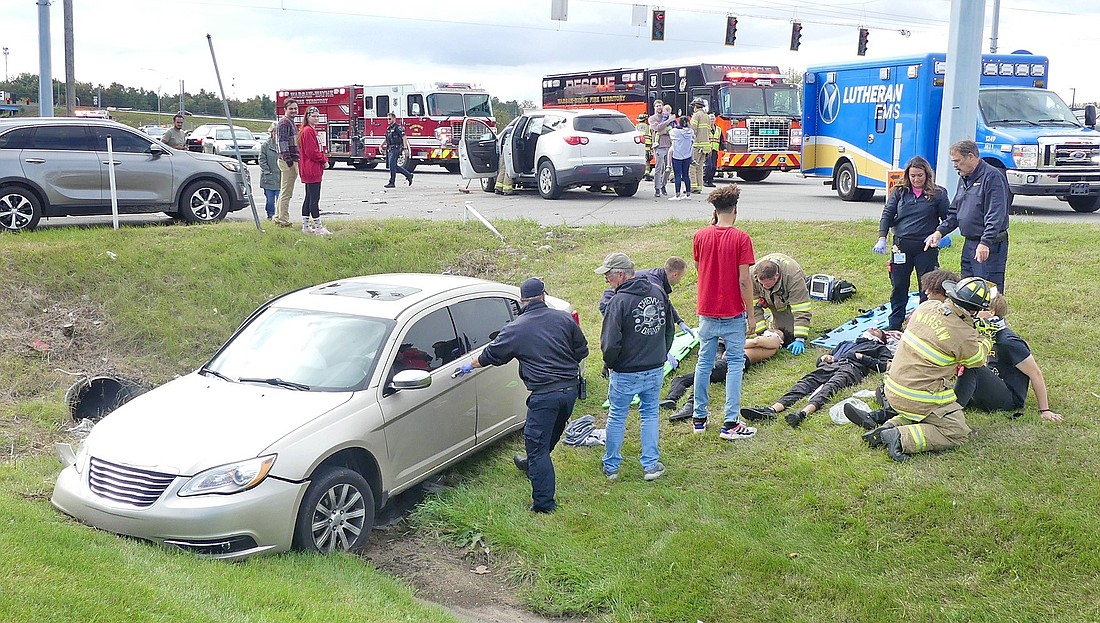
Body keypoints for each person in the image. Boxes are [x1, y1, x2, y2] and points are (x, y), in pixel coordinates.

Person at [453, 278, 588, 513]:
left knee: (537, 446)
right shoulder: (563, 319)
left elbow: (490, 355)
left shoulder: (516, 328)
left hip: (545, 395)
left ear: (522, 301)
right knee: (550, 434)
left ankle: (544, 505)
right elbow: (582, 349)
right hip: (569, 390)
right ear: (543, 296)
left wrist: (469, 365)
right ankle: (532, 464)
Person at [858, 277, 993, 462]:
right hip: (918, 397)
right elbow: (977, 360)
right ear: (973, 310)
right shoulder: (963, 334)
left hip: (892, 387)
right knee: (957, 431)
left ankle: (888, 426)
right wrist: (985, 335)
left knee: (921, 413)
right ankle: (900, 437)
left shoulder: (926, 307)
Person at [843, 268, 957, 429]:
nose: (926, 293)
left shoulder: (946, 320)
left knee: (919, 406)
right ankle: (881, 419)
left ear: (943, 293)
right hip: (917, 374)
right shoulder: (931, 313)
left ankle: (879, 420)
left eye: (930, 290)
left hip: (926, 379)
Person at [597, 252, 674, 481]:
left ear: (620, 275)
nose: (607, 282)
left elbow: (610, 343)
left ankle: (611, 467)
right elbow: (669, 329)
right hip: (654, 367)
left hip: (625, 371)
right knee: (650, 414)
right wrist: (662, 354)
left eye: (608, 276)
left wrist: (609, 365)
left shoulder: (618, 302)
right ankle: (651, 466)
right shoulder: (658, 291)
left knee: (617, 416)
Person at [691, 185, 758, 440]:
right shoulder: (741, 238)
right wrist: (751, 314)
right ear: (735, 210)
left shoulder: (700, 236)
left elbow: (700, 267)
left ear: (715, 210)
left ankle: (699, 417)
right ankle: (730, 422)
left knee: (703, 363)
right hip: (732, 314)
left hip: (706, 312)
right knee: (734, 366)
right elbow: (744, 280)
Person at [741, 328, 896, 428]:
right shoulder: (845, 343)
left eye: (878, 331)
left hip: (852, 368)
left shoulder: (879, 347)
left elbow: (885, 365)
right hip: (832, 365)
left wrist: (861, 357)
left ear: (881, 339)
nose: (874, 328)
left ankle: (802, 413)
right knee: (805, 383)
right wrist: (824, 358)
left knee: (830, 387)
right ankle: (772, 409)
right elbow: (820, 361)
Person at [953, 294, 1063, 421]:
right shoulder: (985, 334)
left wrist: (1045, 410)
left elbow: (1036, 373)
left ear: (991, 312)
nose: (973, 314)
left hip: (1009, 399)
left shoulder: (1009, 341)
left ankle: (953, 410)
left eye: (978, 310)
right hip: (991, 388)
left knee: (973, 366)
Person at [874, 156, 950, 330]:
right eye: (913, 176)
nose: (916, 180)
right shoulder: (900, 192)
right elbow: (887, 214)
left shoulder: (938, 193)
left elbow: (949, 218)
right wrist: (882, 238)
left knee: (927, 287)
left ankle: (923, 323)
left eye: (920, 176)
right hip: (901, 246)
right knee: (899, 286)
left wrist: (940, 234)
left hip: (925, 247)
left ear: (927, 175)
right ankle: (894, 323)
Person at [924, 139, 1011, 292]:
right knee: (967, 290)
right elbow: (955, 212)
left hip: (988, 245)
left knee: (987, 292)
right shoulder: (964, 178)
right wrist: (939, 232)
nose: (955, 165)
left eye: (957, 161)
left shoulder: (992, 177)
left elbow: (995, 214)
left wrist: (985, 242)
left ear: (970, 156)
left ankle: (990, 317)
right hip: (969, 243)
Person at [661, 328, 784, 422]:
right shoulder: (769, 343)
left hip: (733, 360)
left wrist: (732, 346)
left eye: (771, 330)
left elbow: (756, 341)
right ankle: (672, 400)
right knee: (691, 377)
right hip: (733, 359)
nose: (768, 331)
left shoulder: (775, 338)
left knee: (696, 377)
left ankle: (689, 404)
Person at [598, 257, 692, 337]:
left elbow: (665, 303)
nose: (680, 280)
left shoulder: (658, 278)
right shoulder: (654, 284)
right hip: (609, 303)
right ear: (675, 275)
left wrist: (679, 321)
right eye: (681, 277)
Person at [750, 253, 813, 354]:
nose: (765, 287)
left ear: (777, 276)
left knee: (789, 334)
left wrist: (800, 338)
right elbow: (752, 306)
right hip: (770, 297)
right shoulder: (752, 275)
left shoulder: (794, 277)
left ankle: (777, 317)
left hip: (785, 297)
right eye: (762, 284)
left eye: (768, 284)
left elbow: (801, 308)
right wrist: (761, 332)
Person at [298, 106, 330, 235]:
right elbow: (312, 152)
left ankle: (306, 226)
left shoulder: (311, 131)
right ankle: (318, 227)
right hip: (311, 168)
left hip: (311, 168)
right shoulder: (308, 131)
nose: (316, 118)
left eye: (318, 116)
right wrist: (324, 160)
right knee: (314, 199)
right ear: (307, 117)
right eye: (313, 116)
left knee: (309, 197)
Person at [274, 98, 300, 228]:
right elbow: (282, 143)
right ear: (285, 110)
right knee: (286, 192)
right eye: (291, 108)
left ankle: (278, 217)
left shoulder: (291, 122)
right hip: (287, 161)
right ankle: (283, 220)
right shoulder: (284, 123)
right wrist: (289, 161)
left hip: (291, 160)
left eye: (295, 108)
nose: (294, 111)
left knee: (285, 191)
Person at [382, 112, 414, 188]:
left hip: (396, 148)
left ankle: (392, 182)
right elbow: (386, 139)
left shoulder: (398, 128)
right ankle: (409, 175)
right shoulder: (389, 128)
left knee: (392, 165)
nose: (388, 120)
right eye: (387, 119)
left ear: (394, 118)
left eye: (390, 119)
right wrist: (381, 145)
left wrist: (405, 148)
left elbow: (404, 137)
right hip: (390, 148)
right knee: (393, 166)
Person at [257, 122, 280, 220]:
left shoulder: (283, 145)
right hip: (269, 177)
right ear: (271, 132)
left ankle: (280, 217)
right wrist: (267, 171)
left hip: (281, 177)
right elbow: (261, 160)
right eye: (275, 131)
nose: (277, 134)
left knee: (281, 200)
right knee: (270, 200)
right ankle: (270, 215)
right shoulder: (265, 146)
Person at [668, 116, 694, 201]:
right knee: (686, 175)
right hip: (687, 156)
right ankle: (688, 194)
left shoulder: (675, 132)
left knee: (677, 175)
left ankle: (677, 195)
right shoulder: (691, 132)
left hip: (677, 156)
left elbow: (670, 132)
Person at [689, 98, 711, 193]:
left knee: (692, 167)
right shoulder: (707, 116)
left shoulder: (696, 115)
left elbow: (693, 130)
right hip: (705, 146)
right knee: (700, 167)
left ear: (695, 106)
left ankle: (693, 187)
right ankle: (699, 187)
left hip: (697, 145)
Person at [651, 104, 673, 198]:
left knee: (668, 168)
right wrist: (669, 121)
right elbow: (657, 129)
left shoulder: (667, 115)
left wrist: (666, 131)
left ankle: (663, 185)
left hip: (669, 145)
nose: (659, 107)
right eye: (657, 106)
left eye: (660, 105)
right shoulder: (652, 118)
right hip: (659, 146)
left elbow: (672, 130)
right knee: (658, 168)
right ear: (654, 107)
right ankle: (657, 188)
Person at [702, 113, 720, 188]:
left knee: (714, 166)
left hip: (715, 150)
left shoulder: (718, 129)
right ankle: (705, 180)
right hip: (707, 150)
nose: (712, 120)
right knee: (708, 165)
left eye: (713, 119)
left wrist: (724, 147)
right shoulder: (705, 128)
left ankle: (710, 180)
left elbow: (721, 139)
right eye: (710, 119)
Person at [636, 113, 653, 181]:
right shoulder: (648, 127)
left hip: (639, 147)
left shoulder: (636, 127)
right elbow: (651, 137)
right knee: (647, 161)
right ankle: (647, 174)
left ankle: (640, 174)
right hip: (647, 147)